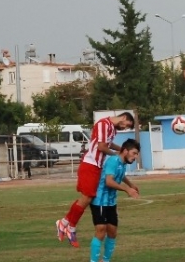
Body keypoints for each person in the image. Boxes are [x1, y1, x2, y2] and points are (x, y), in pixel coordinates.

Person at [56, 112, 135, 248]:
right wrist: (117, 155)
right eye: (127, 125)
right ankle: (70, 226)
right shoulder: (104, 124)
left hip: (96, 166)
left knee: (89, 197)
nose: (125, 128)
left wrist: (122, 149)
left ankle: (64, 223)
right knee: (87, 197)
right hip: (90, 164)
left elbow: (108, 144)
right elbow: (102, 147)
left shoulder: (111, 128)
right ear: (124, 118)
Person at [89, 139, 141, 262]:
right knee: (101, 231)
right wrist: (127, 189)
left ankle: (105, 260)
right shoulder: (113, 160)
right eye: (134, 153)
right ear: (125, 151)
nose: (135, 157)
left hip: (111, 202)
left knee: (112, 232)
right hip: (100, 200)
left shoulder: (122, 163)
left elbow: (121, 175)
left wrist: (131, 184)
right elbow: (109, 181)